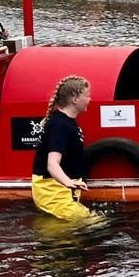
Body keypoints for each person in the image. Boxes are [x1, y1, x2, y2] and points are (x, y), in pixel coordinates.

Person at [31, 75, 95, 220]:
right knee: (96, 225)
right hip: (54, 193)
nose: (89, 99)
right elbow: (52, 164)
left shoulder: (67, 122)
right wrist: (68, 182)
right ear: (75, 99)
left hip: (62, 192)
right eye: (87, 95)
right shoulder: (60, 125)